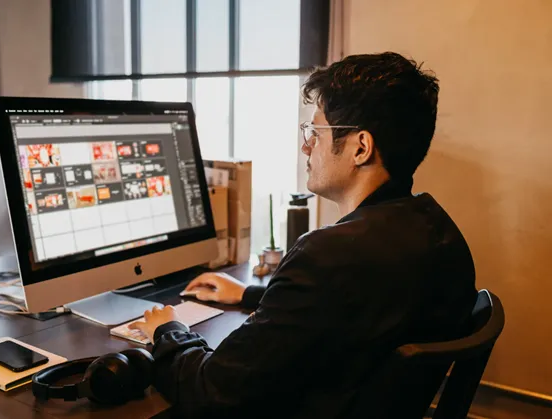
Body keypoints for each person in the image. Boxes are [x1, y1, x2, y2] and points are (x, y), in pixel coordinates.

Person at [131, 52, 478, 418]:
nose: (306, 146)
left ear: (361, 147)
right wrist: (250, 294)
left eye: (316, 132)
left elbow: (211, 390)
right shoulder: (439, 232)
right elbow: (355, 307)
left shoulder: (328, 255)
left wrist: (168, 330)